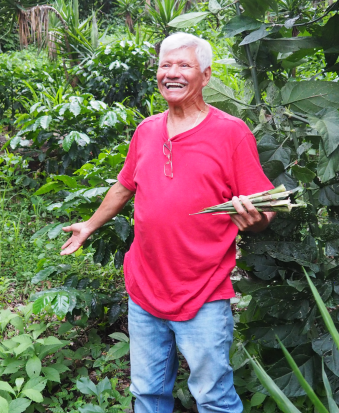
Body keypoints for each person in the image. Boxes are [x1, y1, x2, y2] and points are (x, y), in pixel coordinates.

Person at [59, 32, 275, 413]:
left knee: (213, 398)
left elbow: (264, 208)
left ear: (206, 76)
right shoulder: (147, 130)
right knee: (147, 393)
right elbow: (125, 186)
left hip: (203, 292)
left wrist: (255, 220)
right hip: (145, 290)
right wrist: (90, 225)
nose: (172, 73)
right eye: (165, 65)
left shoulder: (230, 132)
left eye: (184, 65)